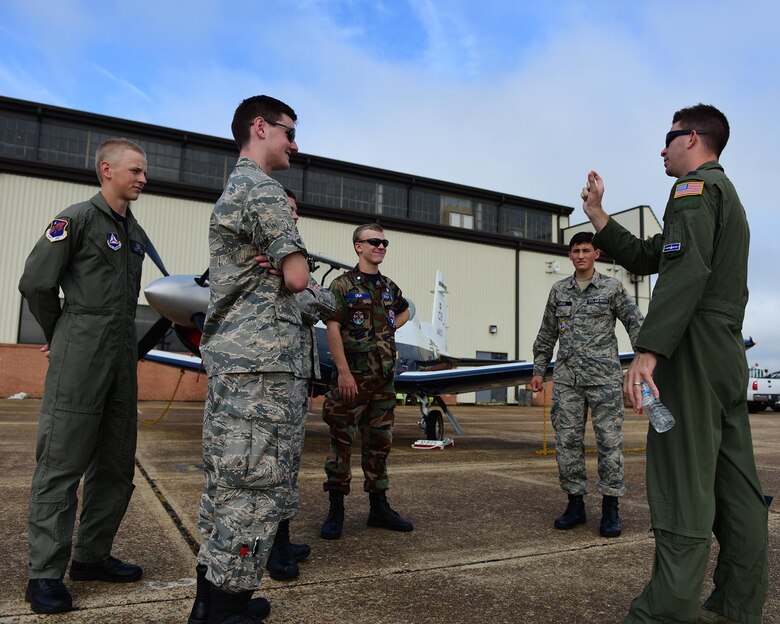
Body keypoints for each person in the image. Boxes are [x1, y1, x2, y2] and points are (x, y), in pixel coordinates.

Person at [582, 104, 769, 623]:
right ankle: (736, 609)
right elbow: (650, 255)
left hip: (693, 348)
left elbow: (684, 272)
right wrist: (599, 215)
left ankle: (665, 613)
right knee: (737, 489)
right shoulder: (723, 194)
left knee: (683, 482)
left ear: (691, 138)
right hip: (725, 354)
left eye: (667, 139)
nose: (661, 150)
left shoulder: (693, 191)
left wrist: (648, 351)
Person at [189, 95, 309, 624]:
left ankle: (207, 605)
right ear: (259, 127)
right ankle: (227, 613)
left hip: (236, 368)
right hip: (260, 372)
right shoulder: (261, 189)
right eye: (289, 132)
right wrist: (286, 261)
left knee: (225, 489)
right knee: (253, 493)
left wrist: (273, 267)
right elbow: (299, 277)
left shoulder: (233, 188)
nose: (295, 144)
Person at [18, 139, 149, 614]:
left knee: (115, 465)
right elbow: (35, 282)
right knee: (61, 464)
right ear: (106, 169)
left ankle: (91, 557)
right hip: (81, 354)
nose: (142, 178)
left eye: (144, 172)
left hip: (119, 358)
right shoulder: (75, 219)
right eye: (134, 170)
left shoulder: (134, 232)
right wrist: (63, 331)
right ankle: (44, 574)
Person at [531, 231, 643, 538]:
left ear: (596, 254)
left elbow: (635, 322)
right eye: (575, 251)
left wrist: (642, 360)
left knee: (609, 444)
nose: (580, 255)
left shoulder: (611, 288)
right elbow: (546, 334)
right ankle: (575, 505)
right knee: (567, 444)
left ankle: (610, 509)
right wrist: (539, 370)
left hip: (604, 379)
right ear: (570, 255)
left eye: (586, 250)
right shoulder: (558, 290)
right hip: (567, 380)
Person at [261, 189, 336, 581]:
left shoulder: (293, 257)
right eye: (287, 209)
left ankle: (284, 538)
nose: (293, 216)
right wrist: (301, 289)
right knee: (269, 465)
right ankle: (271, 550)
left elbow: (325, 302)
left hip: (295, 381)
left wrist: (299, 286)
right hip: (270, 380)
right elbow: (308, 302)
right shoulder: (261, 253)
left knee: (288, 464)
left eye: (295, 211)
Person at [319, 224, 412, 540]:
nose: (381, 246)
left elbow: (405, 313)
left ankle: (379, 508)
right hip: (352, 381)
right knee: (341, 445)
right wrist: (343, 372)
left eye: (384, 241)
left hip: (383, 383)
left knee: (379, 446)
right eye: (374, 241)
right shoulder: (342, 286)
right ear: (358, 246)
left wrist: (386, 331)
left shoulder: (388, 287)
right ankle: (336, 512)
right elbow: (332, 328)